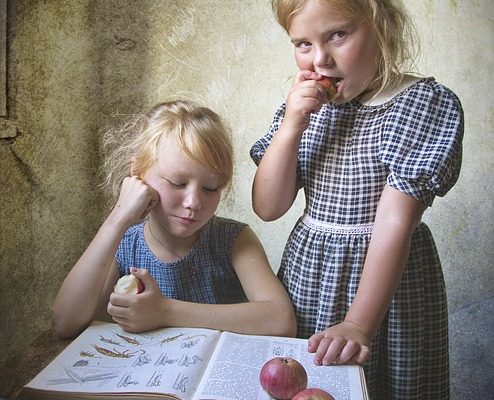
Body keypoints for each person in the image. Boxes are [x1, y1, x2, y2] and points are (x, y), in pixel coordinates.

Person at [250, 0, 463, 398]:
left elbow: (394, 222)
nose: (321, 59)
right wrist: (292, 126)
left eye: (337, 35)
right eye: (303, 44)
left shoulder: (419, 104)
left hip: (385, 288)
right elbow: (268, 207)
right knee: (307, 383)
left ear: (383, 27)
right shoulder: (308, 107)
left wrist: (359, 324)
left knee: (388, 384)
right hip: (309, 274)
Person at [52, 100, 297, 340]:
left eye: (210, 188)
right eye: (178, 183)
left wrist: (165, 311)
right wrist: (118, 217)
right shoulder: (125, 244)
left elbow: (281, 320)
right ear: (138, 174)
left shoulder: (233, 239)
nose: (193, 202)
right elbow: (65, 322)